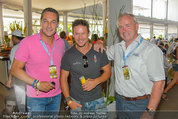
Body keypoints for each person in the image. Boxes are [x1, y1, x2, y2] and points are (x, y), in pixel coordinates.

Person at [94, 13, 165, 119]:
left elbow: (159, 83)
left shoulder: (150, 50)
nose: (124, 30)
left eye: (128, 25)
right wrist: (99, 42)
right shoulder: (117, 48)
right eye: (121, 27)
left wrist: (150, 111)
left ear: (137, 26)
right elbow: (103, 52)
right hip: (120, 102)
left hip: (140, 104)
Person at [10, 7, 66, 118]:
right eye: (45, 21)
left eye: (53, 22)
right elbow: (15, 70)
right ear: (41, 22)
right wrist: (37, 84)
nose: (49, 25)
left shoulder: (61, 43)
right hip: (36, 97)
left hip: (56, 95)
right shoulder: (28, 42)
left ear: (58, 24)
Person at [60, 19, 111, 119]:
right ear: (73, 35)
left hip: (97, 101)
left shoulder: (99, 51)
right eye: (77, 34)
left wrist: (96, 81)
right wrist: (69, 101)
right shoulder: (68, 55)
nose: (80, 38)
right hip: (77, 102)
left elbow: (108, 72)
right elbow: (63, 79)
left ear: (88, 34)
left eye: (83, 33)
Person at [6, 30, 26, 112]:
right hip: (28, 78)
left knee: (20, 101)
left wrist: (9, 80)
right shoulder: (26, 45)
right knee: (26, 99)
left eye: (12, 37)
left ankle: (23, 114)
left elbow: (13, 67)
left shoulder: (15, 49)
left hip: (19, 79)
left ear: (14, 37)